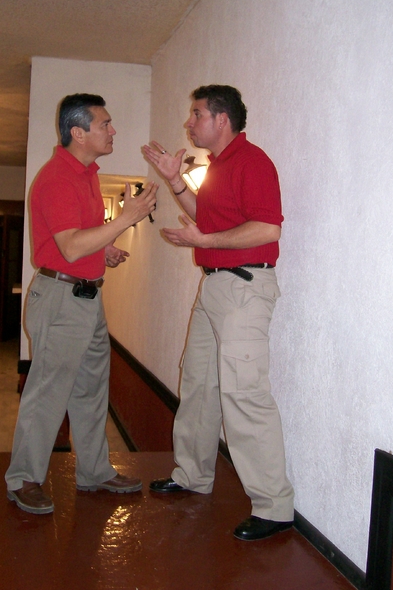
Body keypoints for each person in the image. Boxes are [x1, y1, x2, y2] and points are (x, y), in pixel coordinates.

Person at [142, 84, 294, 541]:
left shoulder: (253, 162)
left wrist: (204, 241)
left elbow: (267, 229)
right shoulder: (217, 166)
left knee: (244, 393)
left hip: (245, 288)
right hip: (213, 286)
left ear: (221, 119)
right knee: (198, 383)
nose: (189, 123)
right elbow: (207, 221)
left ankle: (274, 506)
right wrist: (175, 182)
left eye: (196, 114)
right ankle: (192, 474)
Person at [6, 93, 158, 515]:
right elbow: (70, 247)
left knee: (91, 390)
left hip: (87, 296)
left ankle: (93, 471)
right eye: (104, 124)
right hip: (61, 298)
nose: (113, 130)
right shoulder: (58, 178)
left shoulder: (88, 175)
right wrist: (125, 218)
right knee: (47, 393)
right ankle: (23, 479)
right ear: (78, 132)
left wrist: (104, 250)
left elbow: (79, 238)